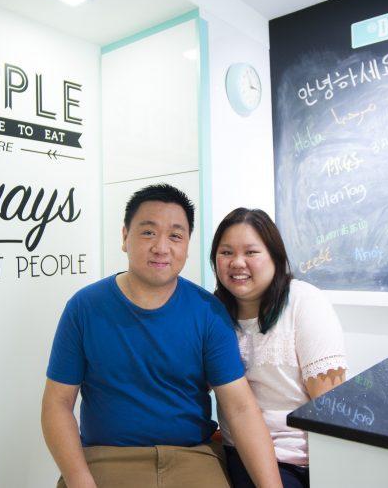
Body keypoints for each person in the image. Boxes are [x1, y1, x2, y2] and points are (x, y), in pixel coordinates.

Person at [41, 185, 283, 488]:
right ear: (124, 237)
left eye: (175, 236)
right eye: (148, 232)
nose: (161, 247)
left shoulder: (209, 312)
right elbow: (57, 405)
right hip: (106, 460)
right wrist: (80, 480)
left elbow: (240, 408)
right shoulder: (85, 307)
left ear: (187, 245)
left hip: (193, 460)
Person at [210, 208, 348, 488]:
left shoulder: (304, 302)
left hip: (302, 458)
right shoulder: (212, 312)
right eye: (226, 253)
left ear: (275, 256)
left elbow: (329, 406)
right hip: (242, 453)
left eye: (251, 252)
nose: (237, 263)